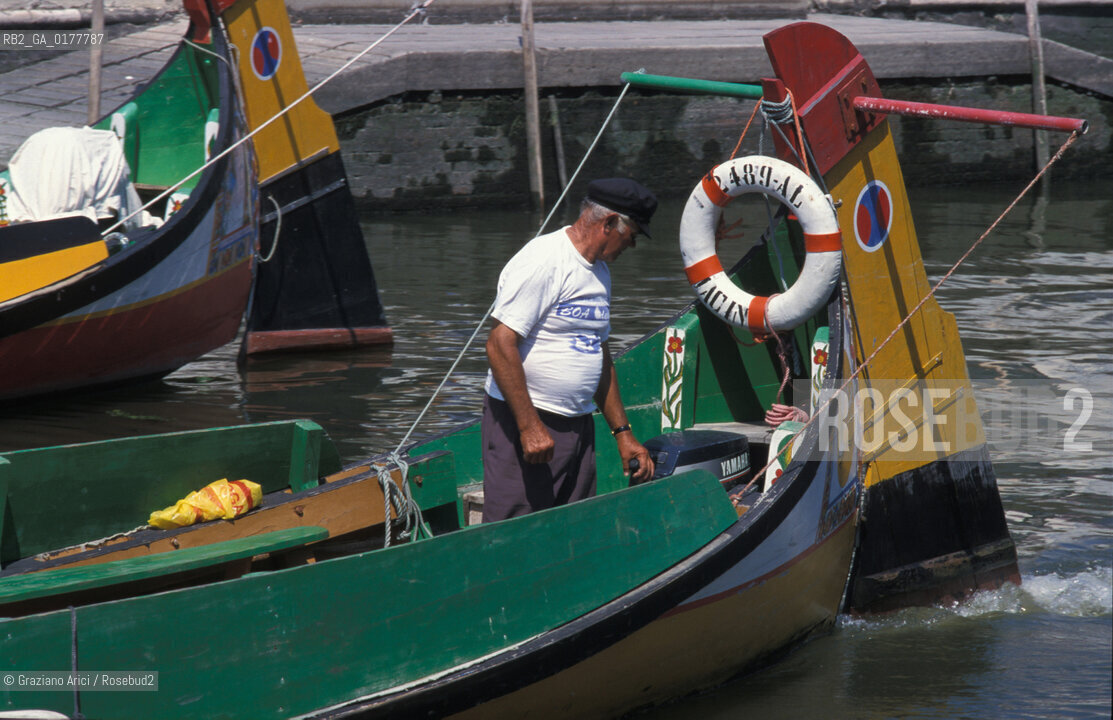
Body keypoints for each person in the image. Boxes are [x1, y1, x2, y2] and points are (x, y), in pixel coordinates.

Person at [481, 178, 658, 522]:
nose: (632, 246)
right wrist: (529, 426)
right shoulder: (545, 260)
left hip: (578, 424)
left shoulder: (600, 271)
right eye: (632, 235)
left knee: (572, 525)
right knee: (513, 530)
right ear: (609, 224)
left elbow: (599, 354)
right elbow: (499, 344)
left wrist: (623, 433)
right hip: (528, 421)